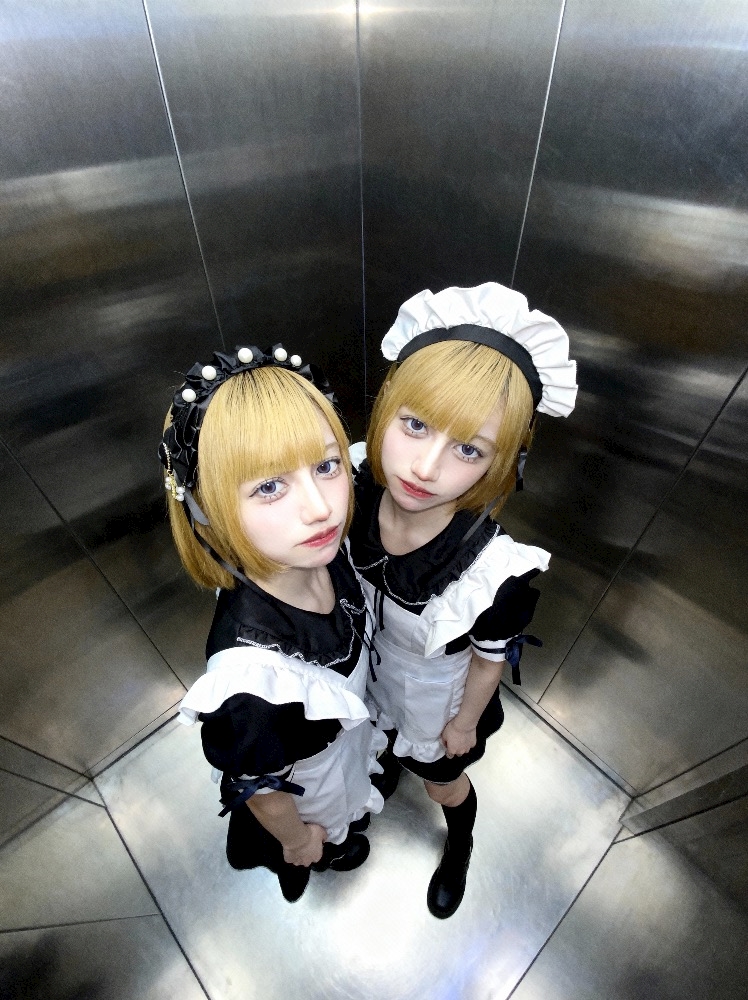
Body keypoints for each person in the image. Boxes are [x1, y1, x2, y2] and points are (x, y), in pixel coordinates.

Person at [348, 282, 577, 918]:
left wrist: (464, 724)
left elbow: (486, 660)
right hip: (368, 672)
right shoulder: (352, 486)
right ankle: (389, 764)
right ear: (386, 410)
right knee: (378, 740)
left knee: (442, 782)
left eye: (468, 448)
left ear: (501, 462)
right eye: (415, 425)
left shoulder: (492, 570)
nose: (425, 467)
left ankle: (460, 844)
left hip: (435, 697)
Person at [160, 344, 385, 904]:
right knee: (316, 842)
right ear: (207, 509)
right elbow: (261, 790)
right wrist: (298, 839)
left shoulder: (323, 552)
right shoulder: (251, 689)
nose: (320, 507)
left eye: (326, 466)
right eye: (268, 486)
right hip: (304, 798)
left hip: (342, 757)